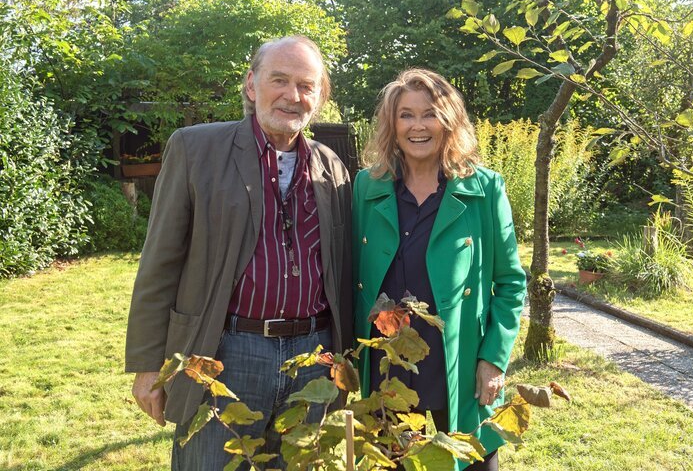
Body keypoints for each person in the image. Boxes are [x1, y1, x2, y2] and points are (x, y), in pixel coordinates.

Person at [125, 35, 352, 470]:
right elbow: (160, 263)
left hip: (314, 357)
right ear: (252, 85)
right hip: (224, 352)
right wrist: (148, 365)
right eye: (279, 80)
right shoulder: (196, 149)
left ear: (320, 96)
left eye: (307, 85)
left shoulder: (332, 166)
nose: (293, 96)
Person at [352, 68, 527, 470]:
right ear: (391, 124)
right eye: (405, 115)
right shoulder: (367, 187)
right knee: (390, 461)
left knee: (472, 461)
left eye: (429, 114)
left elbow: (511, 283)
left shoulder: (485, 188)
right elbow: (351, 276)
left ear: (448, 120)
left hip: (459, 363)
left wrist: (494, 360)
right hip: (388, 365)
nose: (418, 126)